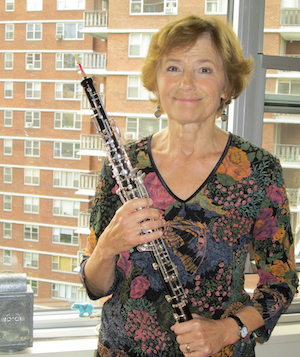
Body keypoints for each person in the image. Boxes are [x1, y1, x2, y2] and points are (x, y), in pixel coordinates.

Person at [80, 15, 299, 357]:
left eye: (204, 69)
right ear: (156, 81)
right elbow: (95, 286)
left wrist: (227, 330)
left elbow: (281, 283)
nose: (186, 83)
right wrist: (107, 247)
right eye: (173, 68)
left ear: (227, 85)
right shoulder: (122, 165)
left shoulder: (258, 169)